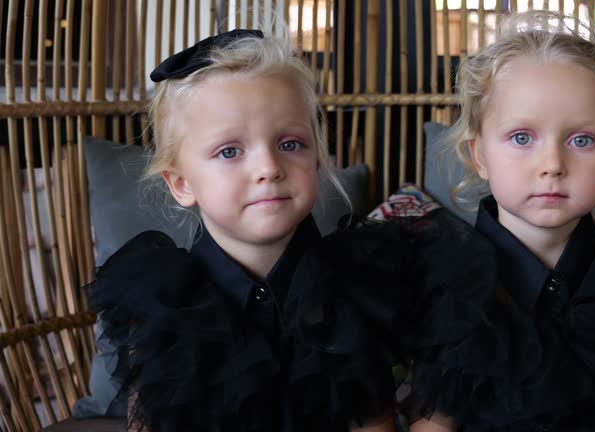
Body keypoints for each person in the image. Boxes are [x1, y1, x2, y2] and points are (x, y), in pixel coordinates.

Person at [87, 28, 395, 432]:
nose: (268, 168)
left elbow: (372, 419)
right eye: (229, 151)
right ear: (182, 183)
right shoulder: (166, 303)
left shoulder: (353, 287)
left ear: (317, 157)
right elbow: (149, 420)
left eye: (290, 144)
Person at [406, 11, 595, 432]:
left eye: (581, 140)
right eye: (522, 138)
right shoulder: (451, 284)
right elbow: (434, 423)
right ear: (480, 156)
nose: (552, 165)